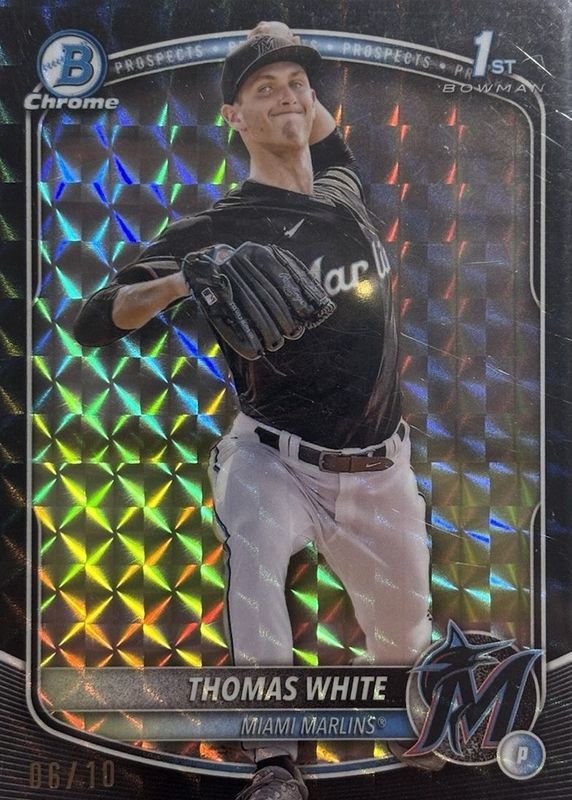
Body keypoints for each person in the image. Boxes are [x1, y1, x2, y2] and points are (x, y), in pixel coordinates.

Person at [74, 20, 436, 800]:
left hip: (381, 469)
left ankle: (410, 734)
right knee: (256, 559)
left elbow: (315, 126)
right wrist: (181, 280)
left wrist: (278, 42)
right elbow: (94, 319)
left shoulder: (341, 186)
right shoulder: (220, 226)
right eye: (263, 90)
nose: (288, 98)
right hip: (274, 457)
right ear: (232, 116)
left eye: (297, 84)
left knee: (407, 649)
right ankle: (274, 763)